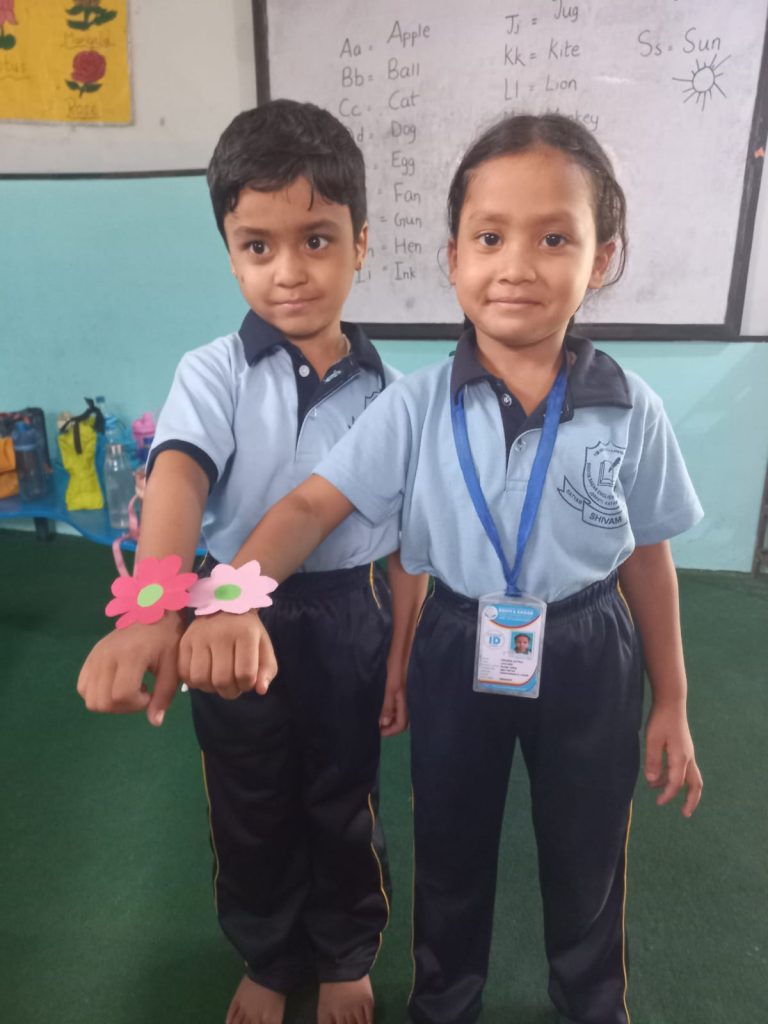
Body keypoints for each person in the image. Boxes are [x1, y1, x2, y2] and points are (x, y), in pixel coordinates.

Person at [180, 112, 705, 1024]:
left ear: (604, 259)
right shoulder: (413, 407)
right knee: (450, 845)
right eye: (490, 237)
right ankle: (444, 1002)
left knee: (587, 846)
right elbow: (308, 508)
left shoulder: (633, 408)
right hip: (458, 643)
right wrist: (228, 597)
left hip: (589, 646)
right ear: (453, 257)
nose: (517, 265)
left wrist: (673, 699)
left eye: (555, 238)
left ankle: (592, 1002)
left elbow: (649, 555)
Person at [77, 99, 427, 1024]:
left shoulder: (394, 397)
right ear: (231, 255)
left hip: (348, 614)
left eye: (316, 241)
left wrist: (400, 653)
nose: (289, 271)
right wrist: (154, 605)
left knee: (345, 794)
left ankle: (346, 952)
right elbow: (179, 477)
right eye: (258, 246)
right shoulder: (213, 372)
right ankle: (269, 956)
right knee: (248, 800)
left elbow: (407, 545)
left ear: (360, 243)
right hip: (232, 618)